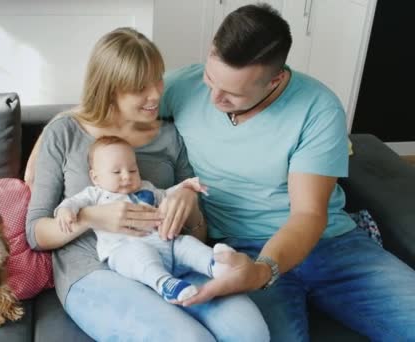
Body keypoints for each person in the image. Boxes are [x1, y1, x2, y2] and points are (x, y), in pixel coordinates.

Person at [160, 4, 415, 341]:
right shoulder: (182, 86)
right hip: (238, 249)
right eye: (211, 78)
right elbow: (103, 109)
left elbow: (309, 214)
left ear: (274, 80)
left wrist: (265, 270)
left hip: (331, 247)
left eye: (233, 94)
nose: (214, 96)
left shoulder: (317, 106)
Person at [25, 27, 269, 341]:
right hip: (95, 268)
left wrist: (188, 203)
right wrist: (92, 217)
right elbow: (35, 233)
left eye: (158, 78)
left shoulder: (169, 136)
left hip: (170, 255)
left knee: (251, 332)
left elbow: (199, 233)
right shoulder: (66, 132)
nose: (155, 94)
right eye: (140, 87)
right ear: (110, 88)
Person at [55, 135, 236, 303]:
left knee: (186, 243)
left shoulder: (146, 187)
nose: (127, 176)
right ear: (95, 177)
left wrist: (186, 186)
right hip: (124, 249)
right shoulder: (96, 194)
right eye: (117, 172)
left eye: (133, 170)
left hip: (166, 243)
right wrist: (65, 211)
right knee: (139, 257)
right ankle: (165, 283)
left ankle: (215, 264)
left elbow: (167, 195)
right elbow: (73, 202)